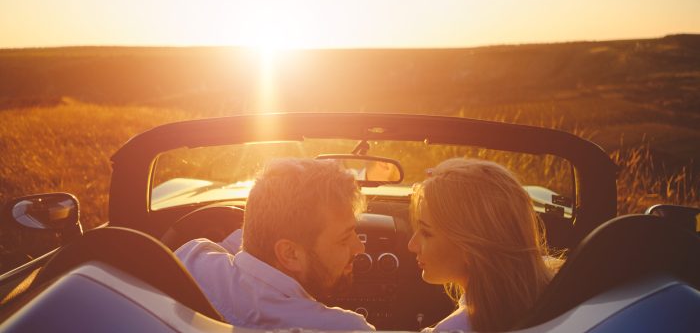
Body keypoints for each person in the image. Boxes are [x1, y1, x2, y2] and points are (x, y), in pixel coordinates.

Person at [175, 158, 375, 330]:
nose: (360, 247)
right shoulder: (348, 329)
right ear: (290, 254)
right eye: (343, 239)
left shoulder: (191, 261)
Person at [408, 158, 561, 332]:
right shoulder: (563, 284)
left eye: (427, 233)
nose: (411, 245)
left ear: (472, 246)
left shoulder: (457, 329)